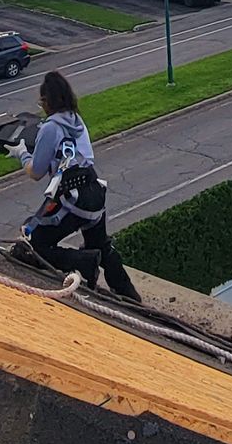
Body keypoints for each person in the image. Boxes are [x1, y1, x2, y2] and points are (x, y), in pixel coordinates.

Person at [13, 71, 139, 300]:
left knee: (35, 244)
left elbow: (36, 172)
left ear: (47, 101)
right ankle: (128, 293)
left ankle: (84, 262)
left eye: (41, 102)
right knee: (101, 243)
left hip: (70, 199)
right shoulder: (76, 120)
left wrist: (22, 153)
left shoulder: (50, 128)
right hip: (93, 192)